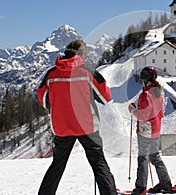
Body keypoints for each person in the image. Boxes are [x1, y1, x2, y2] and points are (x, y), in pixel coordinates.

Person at [36, 40, 117, 195]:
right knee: (99, 164)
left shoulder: (52, 73)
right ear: (82, 53)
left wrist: (56, 109)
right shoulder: (87, 71)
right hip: (87, 126)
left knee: (57, 166)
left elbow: (42, 96)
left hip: (62, 127)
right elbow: (105, 96)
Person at [128, 66, 176, 195]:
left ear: (146, 79)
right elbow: (160, 113)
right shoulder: (158, 93)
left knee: (143, 158)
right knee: (154, 157)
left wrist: (132, 109)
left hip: (146, 129)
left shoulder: (145, 94)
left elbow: (143, 115)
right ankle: (165, 183)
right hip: (155, 129)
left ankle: (140, 187)